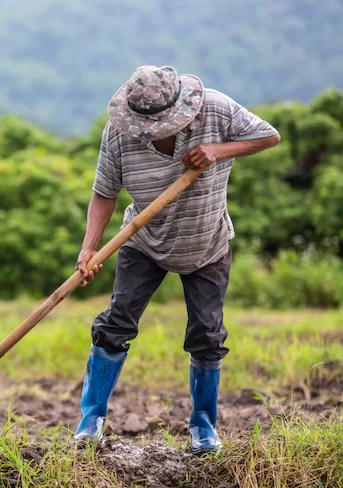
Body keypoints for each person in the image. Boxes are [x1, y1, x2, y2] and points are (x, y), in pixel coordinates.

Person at [74, 65, 280, 454]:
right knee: (115, 324)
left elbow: (269, 136)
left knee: (206, 334)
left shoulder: (216, 109)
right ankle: (90, 422)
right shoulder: (119, 133)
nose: (151, 132)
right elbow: (104, 192)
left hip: (207, 243)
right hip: (143, 240)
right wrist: (89, 248)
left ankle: (204, 428)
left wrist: (217, 150)